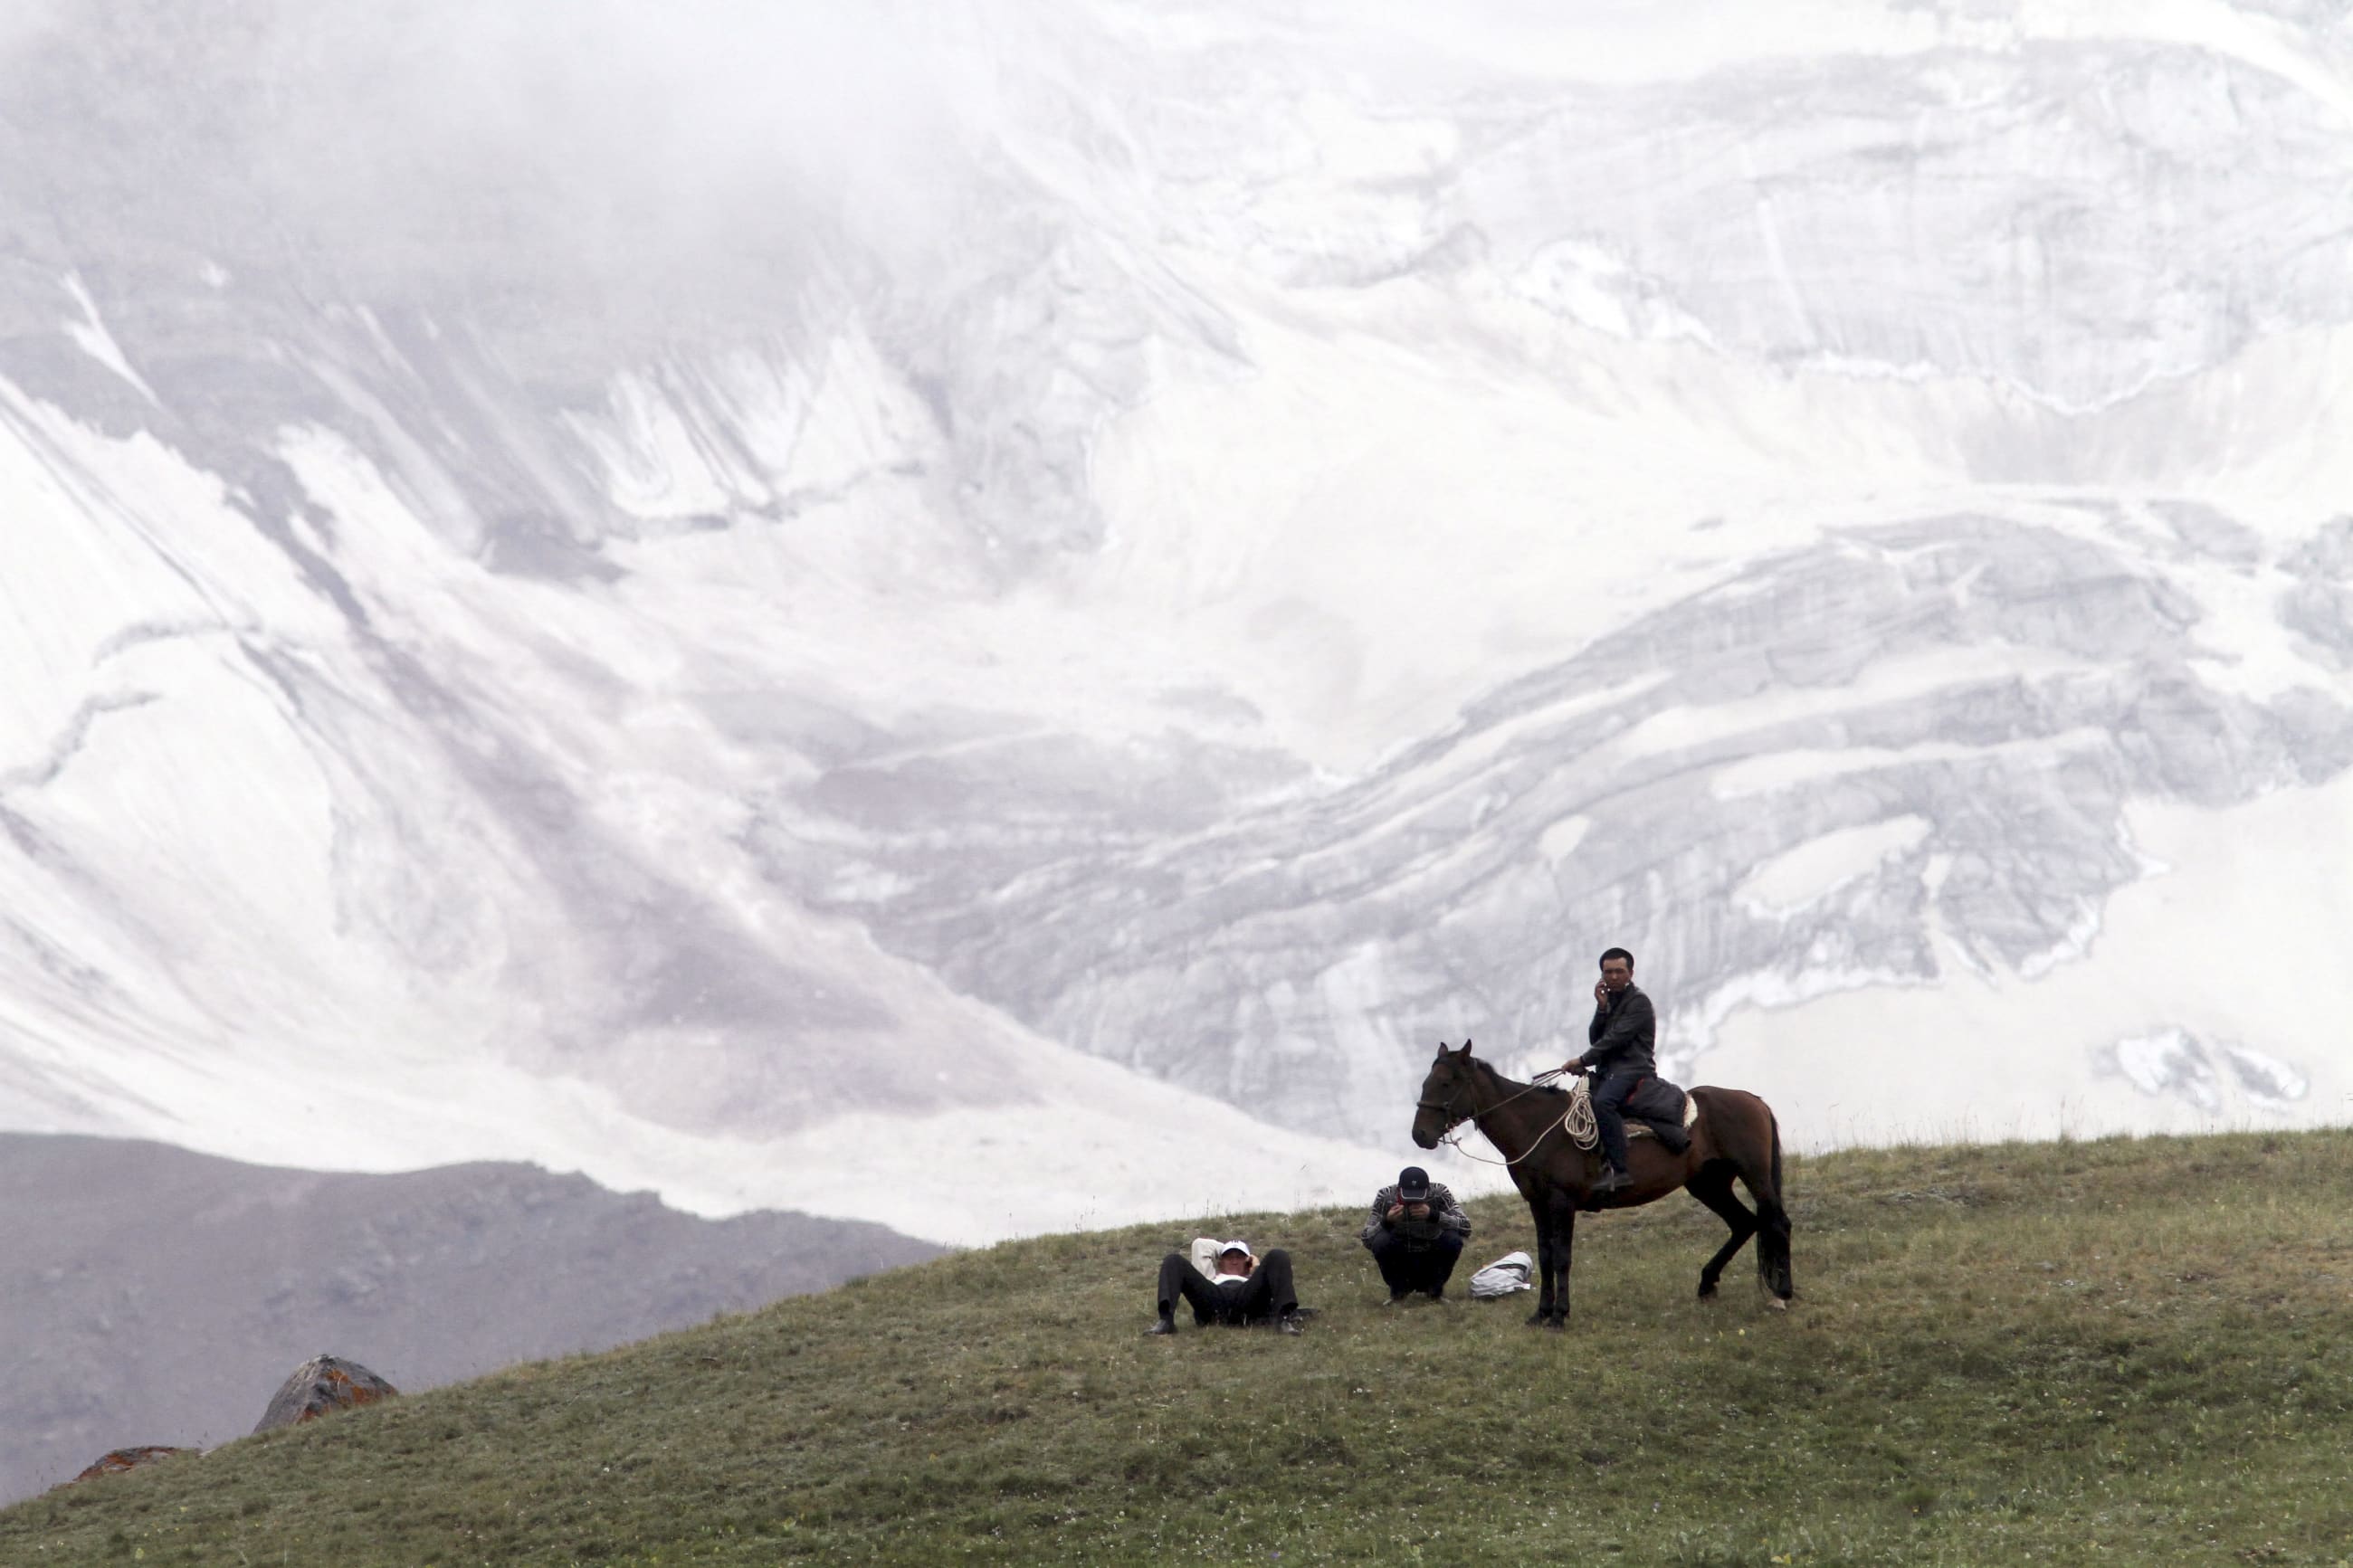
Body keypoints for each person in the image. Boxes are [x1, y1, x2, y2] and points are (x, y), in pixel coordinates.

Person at [1558, 946, 1655, 1203]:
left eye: (1619, 971)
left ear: (1630, 973)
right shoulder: (1611, 1000)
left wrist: (1583, 1060)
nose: (1613, 977)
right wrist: (1602, 1008)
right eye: (1608, 972)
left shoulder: (1639, 1002)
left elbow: (1615, 1039)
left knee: (1603, 1103)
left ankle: (1621, 1171)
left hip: (1633, 1069)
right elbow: (1596, 1037)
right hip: (1609, 1070)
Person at [1358, 1164, 1472, 1302]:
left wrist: (1434, 1215)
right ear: (1399, 1190)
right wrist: (1386, 1222)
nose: (1413, 1202)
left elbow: (1466, 1227)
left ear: (1428, 1190)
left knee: (1452, 1240)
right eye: (1408, 1197)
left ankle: (1434, 1292)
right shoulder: (1385, 1196)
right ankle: (1398, 1293)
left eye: (1418, 1197)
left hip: (1431, 1254)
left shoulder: (1440, 1193)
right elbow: (1366, 1238)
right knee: (1381, 1241)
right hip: (1401, 1256)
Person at [1146, 1239, 1305, 1335]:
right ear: (1220, 1261)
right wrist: (1227, 1246)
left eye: (1240, 1257)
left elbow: (1271, 1278)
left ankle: (1283, 1320)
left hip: (1247, 1299)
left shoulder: (1253, 1279)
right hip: (1214, 1299)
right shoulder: (1209, 1276)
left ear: (1248, 1261)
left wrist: (1255, 1268)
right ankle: (1166, 1321)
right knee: (1173, 1260)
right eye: (1229, 1257)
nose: (1234, 1261)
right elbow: (1200, 1244)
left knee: (1278, 1254)